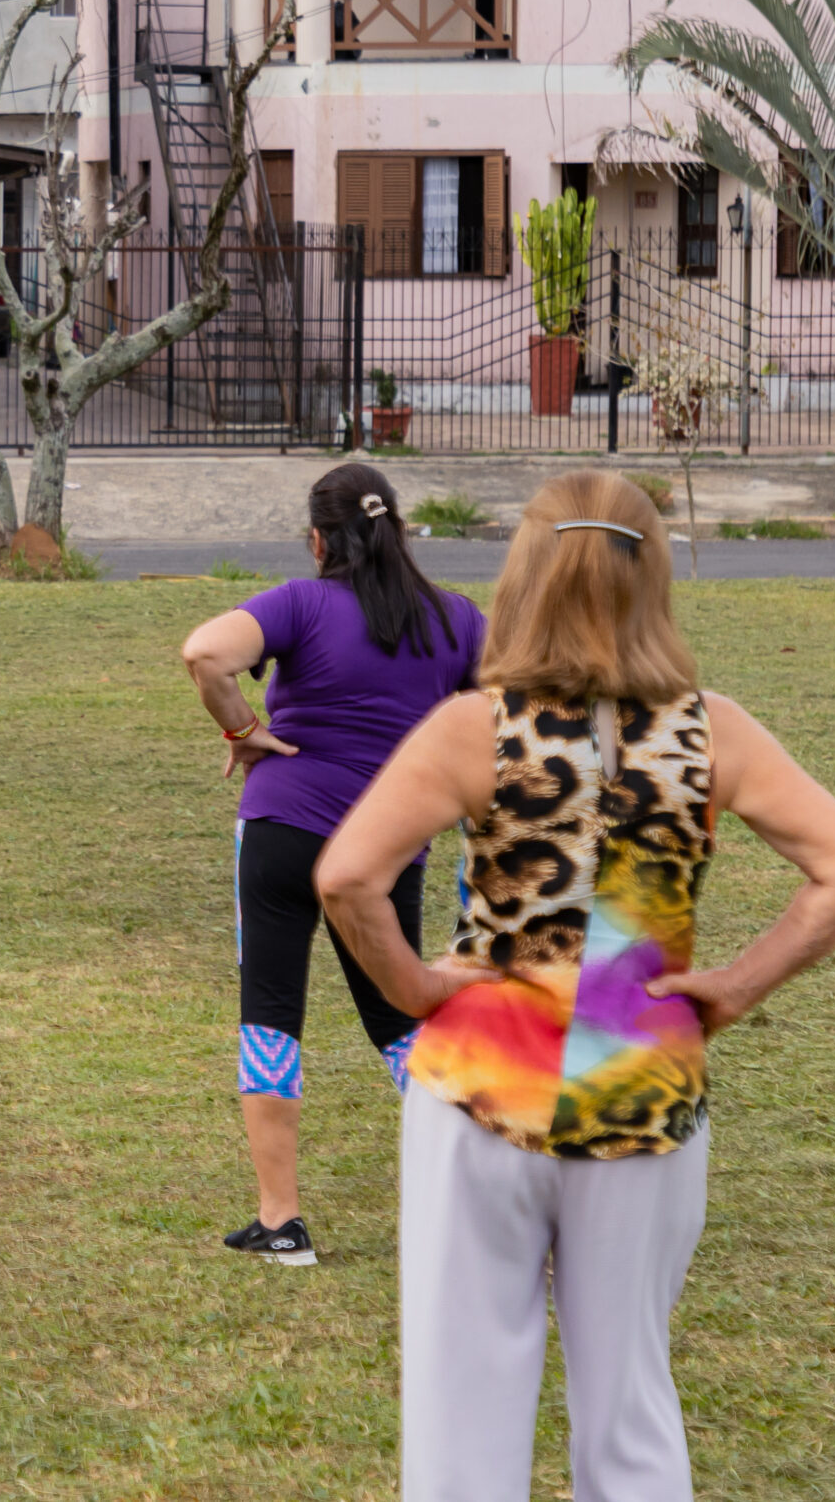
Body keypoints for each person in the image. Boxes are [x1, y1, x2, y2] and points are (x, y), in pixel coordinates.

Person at [314, 469, 835, 1502]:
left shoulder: (473, 728)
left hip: (481, 1077)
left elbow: (347, 875)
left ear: (524, 574)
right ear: (652, 578)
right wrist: (731, 987)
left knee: (461, 1411)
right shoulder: (715, 729)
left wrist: (413, 988)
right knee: (629, 1402)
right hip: (643, 1082)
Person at [177, 462, 484, 1267]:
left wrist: (242, 730)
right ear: (400, 532)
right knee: (399, 1021)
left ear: (318, 540)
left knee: (270, 1009)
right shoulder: (458, 620)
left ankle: (281, 1223)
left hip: (284, 825)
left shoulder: (301, 602)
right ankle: (497, 1198)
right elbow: (506, 719)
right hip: (389, 841)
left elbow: (205, 654)